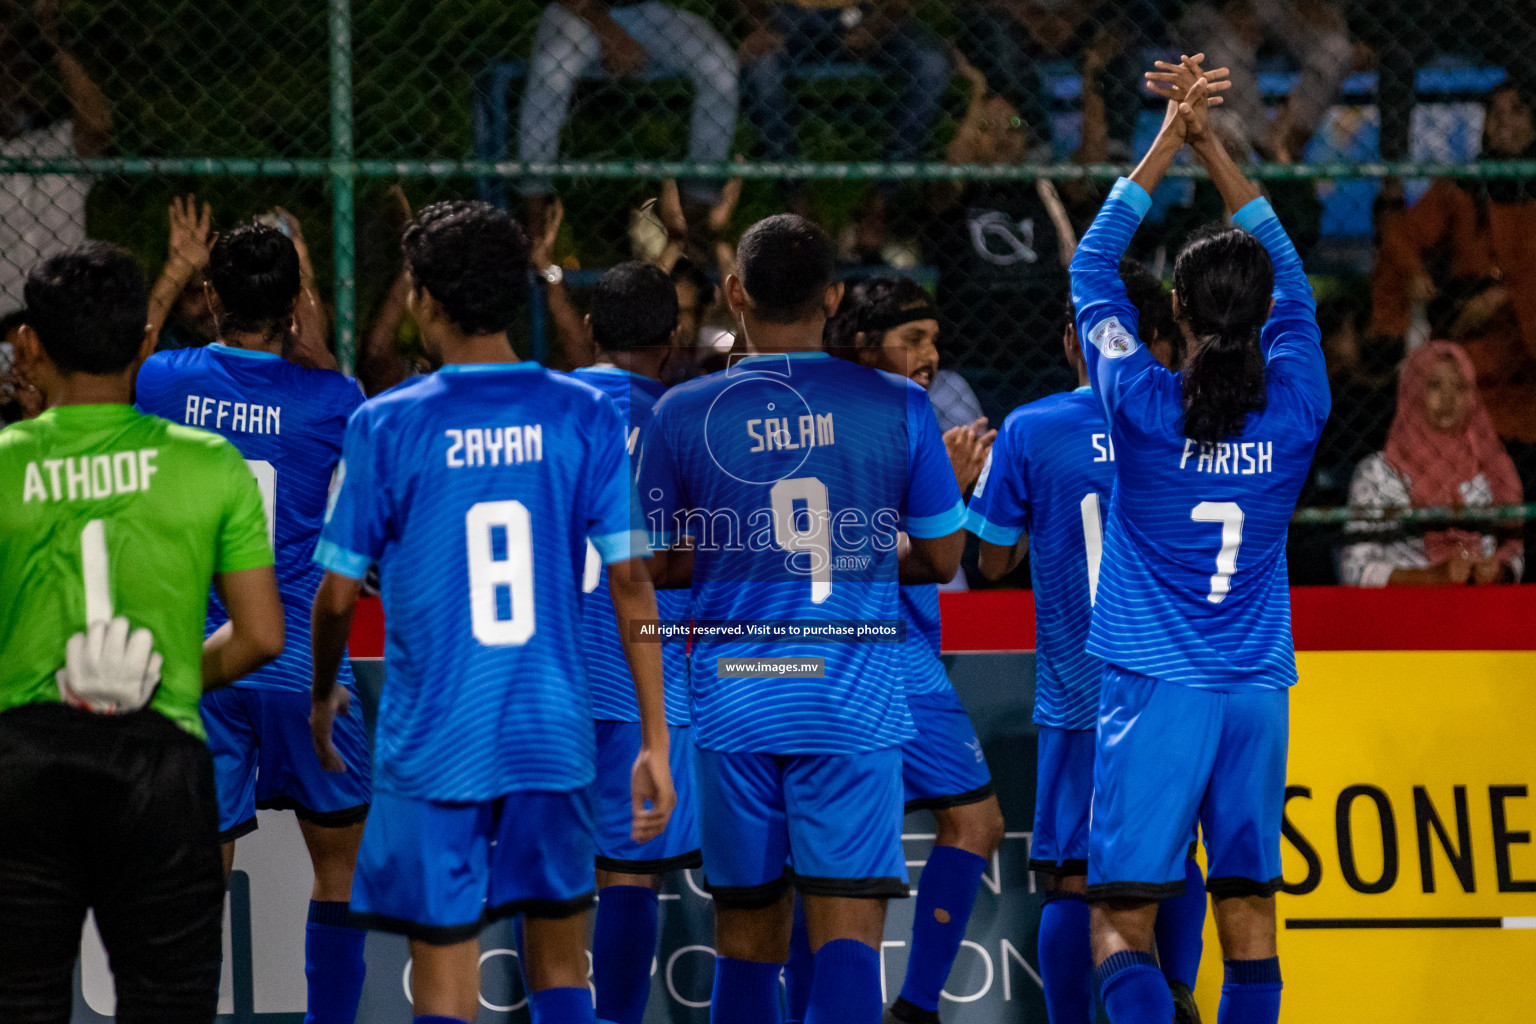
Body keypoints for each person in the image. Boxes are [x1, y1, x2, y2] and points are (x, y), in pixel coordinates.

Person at [308, 200, 674, 1024]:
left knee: (445, 972)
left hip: (436, 734)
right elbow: (632, 586)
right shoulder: (582, 413)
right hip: (551, 728)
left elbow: (336, 595)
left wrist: (322, 689)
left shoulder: (387, 423)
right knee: (558, 963)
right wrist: (653, 738)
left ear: (425, 298)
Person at [637, 215, 966, 1024]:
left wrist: (737, 557)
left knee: (745, 942)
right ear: (835, 296)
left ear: (734, 293)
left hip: (738, 698)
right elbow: (945, 559)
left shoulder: (681, 413)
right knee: (848, 938)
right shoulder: (898, 404)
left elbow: (644, 568)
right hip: (849, 701)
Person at [1071, 56, 1328, 1023]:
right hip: (1257, 691)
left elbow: (1092, 269)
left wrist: (1167, 143)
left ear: (1173, 312)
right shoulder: (1300, 405)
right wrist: (1220, 149)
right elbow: (1294, 277)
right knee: (1250, 917)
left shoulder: (1139, 402)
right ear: (1266, 321)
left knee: (1121, 924)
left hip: (1157, 686)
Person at [0, 241, 285, 1023]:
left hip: (23, 761)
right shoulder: (208, 463)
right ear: (146, 343)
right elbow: (261, 635)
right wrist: (171, 677)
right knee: (168, 1005)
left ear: (29, 344)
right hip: (158, 764)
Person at [133, 223, 374, 1024]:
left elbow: (123, 372)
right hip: (307, 666)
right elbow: (348, 428)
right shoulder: (336, 400)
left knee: (198, 875)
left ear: (212, 299)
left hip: (208, 661)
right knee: (339, 872)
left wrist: (170, 280)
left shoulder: (166, 380)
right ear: (297, 303)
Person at [963, 261, 1208, 1024]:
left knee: (1073, 878)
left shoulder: (1032, 428)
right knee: (1172, 860)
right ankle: (1177, 992)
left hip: (1079, 693)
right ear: (1158, 341)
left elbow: (991, 562)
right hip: (1175, 683)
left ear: (1073, 336)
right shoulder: (1191, 418)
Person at [819, 277, 1004, 1024]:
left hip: (903, 647)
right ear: (866, 347)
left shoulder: (911, 415)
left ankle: (899, 1008)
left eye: (933, 338)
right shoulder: (854, 419)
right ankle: (914, 1009)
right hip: (875, 650)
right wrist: (947, 498)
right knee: (969, 824)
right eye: (913, 340)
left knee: (840, 863)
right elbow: (835, 547)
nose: (931, 355)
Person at [569, 262, 701, 1024]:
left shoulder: (544, 407)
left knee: (553, 873)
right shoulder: (685, 421)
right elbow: (669, 564)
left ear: (588, 329)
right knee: (628, 875)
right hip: (640, 677)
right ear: (674, 338)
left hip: (546, 673)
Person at [1368, 83, 1536, 443]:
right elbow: (1402, 236)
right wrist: (1414, 272)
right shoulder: (1462, 187)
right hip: (1471, 339)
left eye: (1517, 111)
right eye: (1495, 113)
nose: (1503, 122)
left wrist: (1505, 296)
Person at [737, 1, 950, 249]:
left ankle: (878, 205)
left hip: (866, 12)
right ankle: (799, 209)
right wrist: (759, 24)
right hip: (792, 18)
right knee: (763, 70)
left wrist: (878, 24)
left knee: (933, 65)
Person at [518, 0, 739, 235]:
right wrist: (609, 31)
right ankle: (536, 221)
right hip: (577, 11)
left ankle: (693, 222)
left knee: (719, 67)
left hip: (647, 12)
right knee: (550, 68)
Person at [1340, 340, 1524, 587]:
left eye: (1459, 387)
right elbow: (1355, 570)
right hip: (1406, 611)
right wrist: (1431, 578)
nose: (1448, 398)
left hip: (1483, 605)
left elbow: (1515, 552)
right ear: (1413, 391)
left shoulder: (1491, 465)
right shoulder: (1379, 472)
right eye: (1435, 385)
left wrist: (1499, 570)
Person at [0, 0, 113, 313]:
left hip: (65, 323)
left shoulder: (56, 145)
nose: (12, 83)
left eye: (21, 72)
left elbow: (98, 123)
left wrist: (55, 42)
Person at [1178, 0, 1352, 161]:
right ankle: (1267, 144)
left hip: (1290, 12)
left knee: (1336, 49)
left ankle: (1290, 140)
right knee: (1223, 53)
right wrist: (1236, 9)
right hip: (1226, 17)